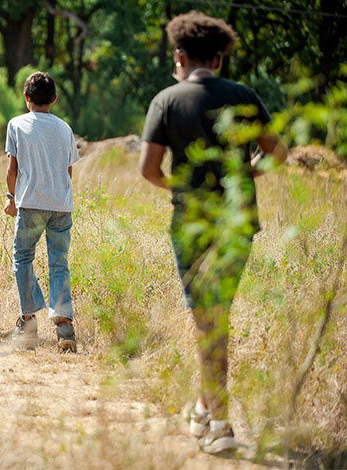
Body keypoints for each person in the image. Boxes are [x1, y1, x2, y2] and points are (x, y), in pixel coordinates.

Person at [139, 11, 287, 454]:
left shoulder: (166, 99)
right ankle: (205, 409)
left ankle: (220, 425)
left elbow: (148, 170)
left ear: (180, 56)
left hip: (192, 221)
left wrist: (180, 187)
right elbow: (278, 151)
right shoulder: (243, 94)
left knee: (209, 322)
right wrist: (243, 177)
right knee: (216, 316)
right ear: (219, 60)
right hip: (238, 220)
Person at [3, 72, 80, 353]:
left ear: (26, 99)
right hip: (61, 205)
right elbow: (68, 171)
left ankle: (28, 320)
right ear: (55, 100)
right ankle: (64, 326)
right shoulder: (65, 129)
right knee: (59, 263)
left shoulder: (17, 125)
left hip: (31, 203)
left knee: (23, 257)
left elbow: (12, 169)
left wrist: (11, 197)